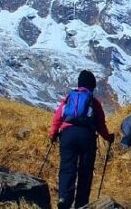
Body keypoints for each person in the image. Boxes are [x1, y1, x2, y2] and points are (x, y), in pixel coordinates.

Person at [49, 70, 114, 209]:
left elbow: (58, 117)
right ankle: (81, 203)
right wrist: (108, 138)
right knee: (85, 171)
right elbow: (101, 125)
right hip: (86, 136)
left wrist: (53, 135)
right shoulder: (93, 101)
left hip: (67, 135)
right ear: (92, 86)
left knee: (67, 168)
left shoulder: (68, 98)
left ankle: (64, 199)